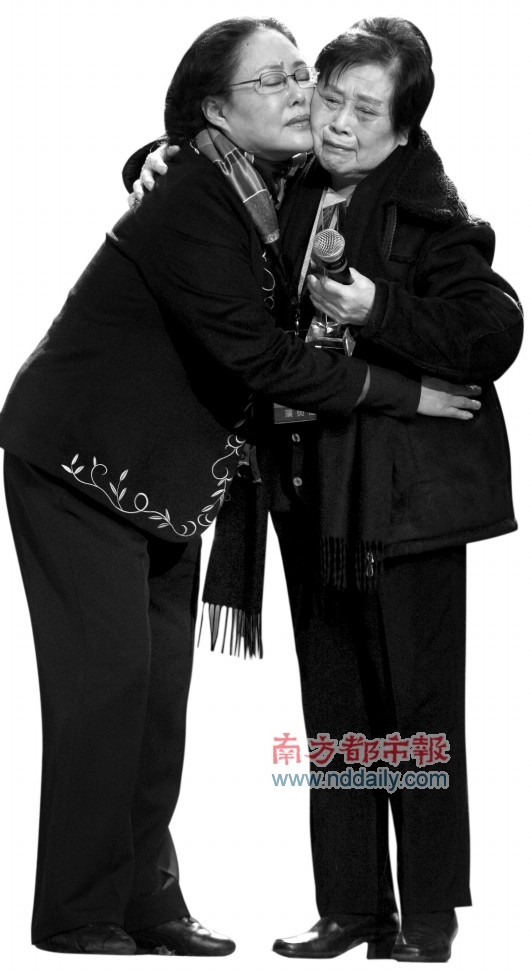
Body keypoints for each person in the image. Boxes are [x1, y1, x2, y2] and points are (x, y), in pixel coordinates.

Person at [0, 17, 478, 958]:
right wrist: (403, 389)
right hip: (93, 467)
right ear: (217, 111)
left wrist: (385, 311)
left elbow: (487, 323)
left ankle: (160, 903)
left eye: (314, 80)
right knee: (114, 693)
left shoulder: (357, 195)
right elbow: (255, 351)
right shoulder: (216, 190)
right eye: (290, 84)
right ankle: (83, 912)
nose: (313, 103)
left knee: (165, 700)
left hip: (264, 492)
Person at [130, 16, 522, 964]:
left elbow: (493, 330)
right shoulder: (289, 183)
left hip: (403, 503)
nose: (338, 122)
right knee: (336, 711)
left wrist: (378, 308)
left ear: (404, 126)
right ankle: (351, 907)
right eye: (329, 99)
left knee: (414, 710)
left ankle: (426, 916)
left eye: (364, 111)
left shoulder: (429, 211)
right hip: (307, 491)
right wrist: (148, 158)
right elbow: (210, 168)